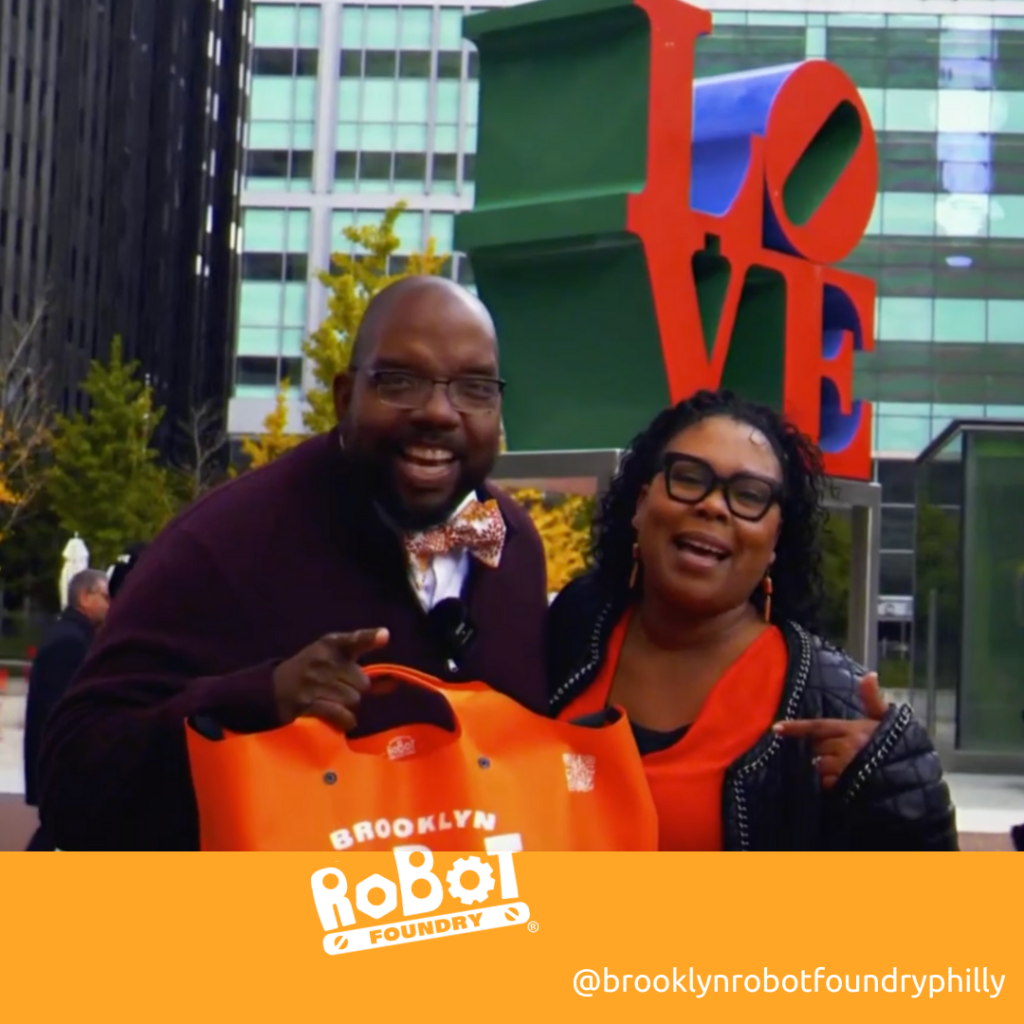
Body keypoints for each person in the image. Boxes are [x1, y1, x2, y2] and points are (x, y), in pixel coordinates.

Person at [37, 276, 549, 851]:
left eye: (474, 387)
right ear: (342, 396)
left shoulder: (515, 546)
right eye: (399, 381)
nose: (439, 412)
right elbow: (72, 779)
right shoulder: (224, 542)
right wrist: (260, 698)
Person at [546, 389, 957, 851]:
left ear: (775, 538)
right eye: (688, 477)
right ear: (642, 503)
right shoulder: (572, 626)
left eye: (748, 495)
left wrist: (905, 800)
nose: (714, 506)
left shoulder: (833, 705)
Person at [22, 570, 110, 814]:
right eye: (106, 596)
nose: (110, 604)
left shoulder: (73, 636)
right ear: (84, 597)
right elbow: (60, 710)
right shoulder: (70, 642)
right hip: (61, 766)